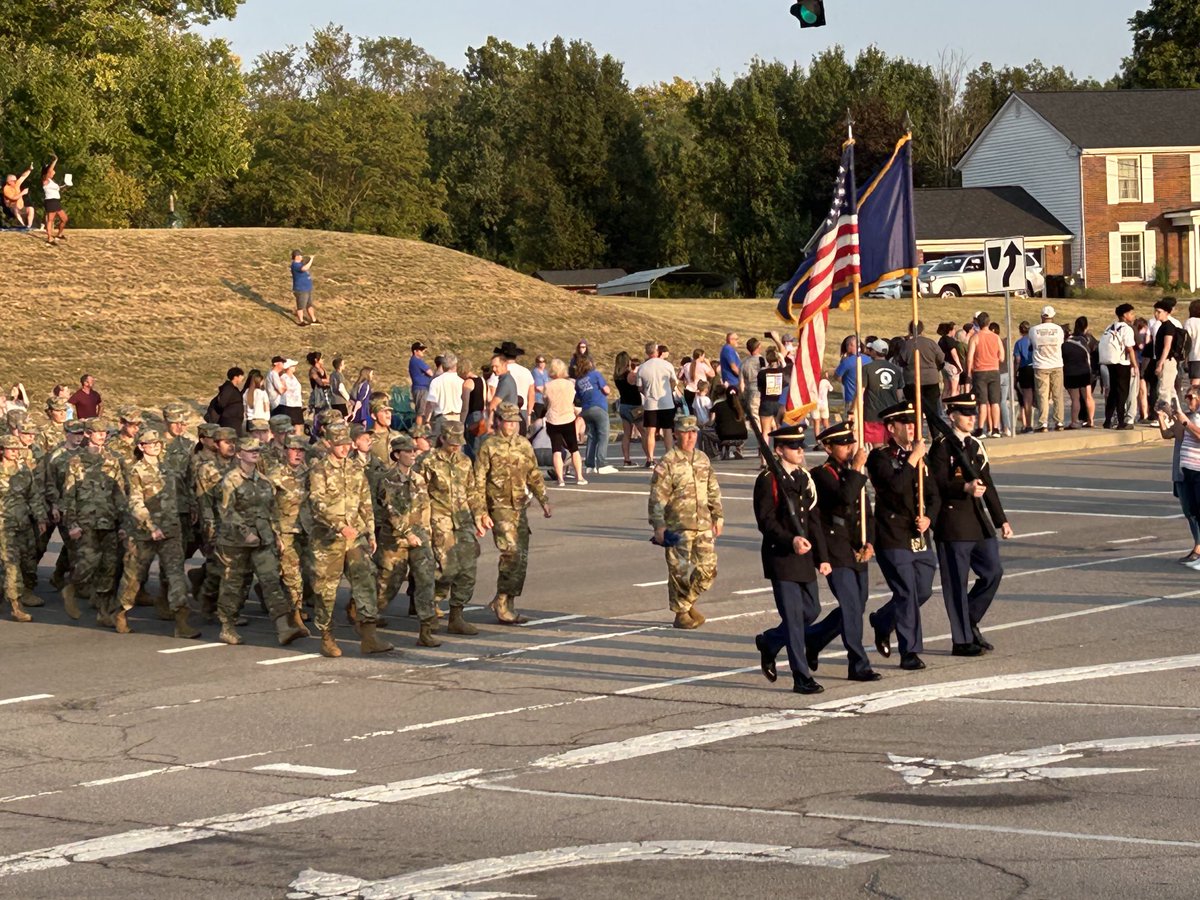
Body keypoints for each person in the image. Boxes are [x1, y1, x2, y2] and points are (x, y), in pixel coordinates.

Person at [928, 394, 1013, 656]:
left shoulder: (975, 445)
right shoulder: (941, 447)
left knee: (993, 572)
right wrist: (963, 487)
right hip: (953, 523)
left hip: (978, 522)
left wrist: (1002, 520)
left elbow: (987, 484)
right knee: (956, 583)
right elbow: (938, 484)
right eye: (966, 414)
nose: (971, 418)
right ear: (952, 415)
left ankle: (969, 619)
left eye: (973, 414)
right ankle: (962, 640)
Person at [751, 424, 829, 694]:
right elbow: (766, 521)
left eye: (801, 445)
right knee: (795, 619)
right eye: (794, 446)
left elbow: (814, 520)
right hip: (782, 556)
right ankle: (801, 676)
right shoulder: (768, 479)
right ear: (779, 450)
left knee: (812, 610)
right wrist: (790, 540)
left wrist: (822, 556)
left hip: (805, 556)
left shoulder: (803, 478)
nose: (800, 450)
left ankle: (771, 641)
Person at [866, 401, 940, 671]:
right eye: (905, 423)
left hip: (919, 534)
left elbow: (933, 494)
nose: (911, 428)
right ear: (890, 428)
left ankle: (884, 620)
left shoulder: (921, 457)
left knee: (922, 590)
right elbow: (895, 488)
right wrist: (912, 459)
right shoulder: (880, 458)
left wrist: (929, 516)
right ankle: (909, 651)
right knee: (907, 592)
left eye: (913, 423)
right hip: (893, 534)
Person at [306, 424, 391, 657]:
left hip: (356, 539)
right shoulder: (319, 470)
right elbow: (317, 503)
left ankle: (369, 636)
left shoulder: (355, 468)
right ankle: (327, 637)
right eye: (339, 444)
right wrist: (339, 526)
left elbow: (365, 502)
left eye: (346, 444)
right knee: (326, 590)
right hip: (328, 540)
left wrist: (371, 532)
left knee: (365, 583)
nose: (344, 448)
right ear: (330, 444)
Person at [804, 422, 879, 682]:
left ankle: (813, 639)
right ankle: (858, 664)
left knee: (857, 605)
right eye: (843, 444)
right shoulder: (822, 474)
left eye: (850, 443)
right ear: (828, 447)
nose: (849, 448)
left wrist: (870, 542)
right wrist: (857, 468)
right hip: (835, 550)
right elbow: (844, 500)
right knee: (850, 606)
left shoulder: (852, 472)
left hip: (857, 548)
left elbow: (865, 511)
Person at [113, 430, 199, 637]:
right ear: (141, 446)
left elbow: (183, 491)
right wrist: (151, 526)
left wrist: (192, 506)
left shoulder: (168, 468)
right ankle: (121, 611)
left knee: (175, 574)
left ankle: (181, 620)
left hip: (170, 529)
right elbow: (134, 502)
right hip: (144, 532)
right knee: (134, 575)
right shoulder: (135, 471)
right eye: (149, 443)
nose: (155, 446)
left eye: (157, 443)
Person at [472, 403, 551, 625]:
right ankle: (503, 603)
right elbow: (478, 482)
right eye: (508, 421)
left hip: (520, 506)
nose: (512, 426)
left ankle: (506, 599)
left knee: (521, 559)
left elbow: (534, 474)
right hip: (499, 508)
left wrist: (543, 500)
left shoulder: (524, 445)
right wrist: (480, 512)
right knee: (511, 553)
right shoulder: (488, 446)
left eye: (516, 421)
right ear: (498, 422)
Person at [648, 415, 723, 629]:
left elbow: (712, 489)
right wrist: (659, 525)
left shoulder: (702, 459)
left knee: (708, 569)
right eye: (685, 432)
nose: (690, 436)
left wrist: (718, 516)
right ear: (676, 434)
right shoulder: (668, 462)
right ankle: (681, 614)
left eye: (693, 432)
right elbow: (657, 496)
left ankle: (686, 603)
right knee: (678, 572)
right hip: (678, 524)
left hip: (703, 523)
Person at [376, 434, 446, 645]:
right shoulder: (388, 479)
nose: (413, 454)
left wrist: (428, 535)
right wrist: (408, 533)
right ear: (397, 455)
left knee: (426, 580)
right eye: (408, 451)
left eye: (414, 451)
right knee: (388, 583)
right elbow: (392, 511)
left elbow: (425, 509)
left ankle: (425, 629)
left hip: (419, 538)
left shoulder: (418, 479)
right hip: (395, 540)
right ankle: (366, 618)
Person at [61, 419, 126, 627]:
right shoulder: (76, 461)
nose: (102, 435)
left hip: (109, 519)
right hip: (86, 520)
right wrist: (72, 524)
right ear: (88, 434)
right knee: (87, 563)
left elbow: (120, 493)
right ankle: (71, 586)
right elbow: (69, 495)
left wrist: (124, 522)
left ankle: (104, 610)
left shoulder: (113, 460)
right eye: (97, 432)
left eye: (104, 432)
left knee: (109, 566)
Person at [424, 421, 483, 622]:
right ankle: (430, 602)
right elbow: (418, 494)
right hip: (439, 519)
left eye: (459, 443)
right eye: (452, 443)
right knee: (446, 568)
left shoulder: (465, 461)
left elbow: (472, 492)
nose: (456, 447)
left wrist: (480, 516)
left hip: (463, 519)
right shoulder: (428, 461)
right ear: (442, 439)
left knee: (468, 568)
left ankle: (457, 615)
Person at [262, 434, 314, 629]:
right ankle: (295, 613)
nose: (298, 454)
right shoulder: (275, 475)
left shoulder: (309, 473)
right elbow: (267, 506)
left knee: (313, 570)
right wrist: (274, 533)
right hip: (285, 531)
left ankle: (296, 605)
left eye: (301, 450)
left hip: (306, 530)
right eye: (294, 450)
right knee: (292, 574)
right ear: (285, 451)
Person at [0, 435, 46, 621]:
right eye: (11, 449)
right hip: (4, 526)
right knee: (11, 565)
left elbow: (33, 495)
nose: (15, 452)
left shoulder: (23, 470)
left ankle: (26, 591)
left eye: (17, 449)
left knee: (29, 560)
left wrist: (41, 517)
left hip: (24, 523)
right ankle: (15, 604)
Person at [1158, 388, 1200, 568]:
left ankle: (1198, 549)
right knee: (1190, 512)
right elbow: (1169, 434)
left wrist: (1185, 422)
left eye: (1191, 396)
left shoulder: (1191, 419)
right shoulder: (1186, 417)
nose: (1188, 399)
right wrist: (1162, 416)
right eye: (1186, 396)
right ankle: (1197, 547)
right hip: (1185, 470)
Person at [542, 358, 584, 486]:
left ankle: (560, 479)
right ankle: (580, 477)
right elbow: (573, 399)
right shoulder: (570, 384)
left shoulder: (548, 386)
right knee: (574, 449)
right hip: (568, 418)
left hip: (553, 419)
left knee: (556, 450)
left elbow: (545, 402)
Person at [897, 321, 946, 429]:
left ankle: (917, 432)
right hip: (930, 379)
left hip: (912, 380)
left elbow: (901, 361)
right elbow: (941, 358)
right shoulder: (930, 343)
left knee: (915, 408)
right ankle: (934, 432)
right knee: (932, 409)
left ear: (910, 330)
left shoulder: (907, 345)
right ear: (922, 330)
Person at [636, 343, 678, 466]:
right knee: (667, 431)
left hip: (650, 402)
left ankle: (650, 458)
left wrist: (647, 393)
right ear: (657, 351)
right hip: (666, 401)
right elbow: (674, 381)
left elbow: (639, 387)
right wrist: (669, 391)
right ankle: (669, 457)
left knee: (650, 432)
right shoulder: (667, 365)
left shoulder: (642, 367)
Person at [966, 312, 1004, 438]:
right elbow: (1002, 357)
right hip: (994, 370)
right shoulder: (995, 337)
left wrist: (969, 372)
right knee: (995, 401)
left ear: (978, 323)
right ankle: (996, 429)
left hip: (979, 371)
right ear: (988, 322)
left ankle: (981, 429)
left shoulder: (975, 338)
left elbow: (970, 357)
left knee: (982, 402)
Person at [1100, 304, 1138, 430]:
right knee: (1122, 393)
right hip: (1122, 363)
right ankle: (1121, 421)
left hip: (1110, 362)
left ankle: (1108, 419)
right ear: (1124, 315)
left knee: (1113, 392)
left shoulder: (1109, 327)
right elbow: (1130, 349)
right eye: (1131, 313)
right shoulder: (1127, 329)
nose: (1133, 316)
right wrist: (1135, 365)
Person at [859, 339, 903, 447]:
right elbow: (899, 394)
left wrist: (853, 410)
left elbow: (861, 391)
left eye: (870, 349)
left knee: (877, 447)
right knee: (891, 444)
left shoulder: (866, 368)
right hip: (891, 413)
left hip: (873, 413)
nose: (869, 351)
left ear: (874, 352)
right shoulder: (896, 370)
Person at [1030, 306, 1066, 432]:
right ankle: (1059, 421)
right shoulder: (1058, 329)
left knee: (1042, 395)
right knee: (1057, 395)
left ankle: (1043, 422)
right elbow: (1060, 343)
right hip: (1056, 363)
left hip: (1041, 365)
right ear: (1053, 316)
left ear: (1042, 316)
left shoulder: (1034, 330)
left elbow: (1033, 345)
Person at [422, 352, 464, 439]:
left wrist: (426, 420)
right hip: (458, 417)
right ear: (455, 366)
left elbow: (430, 404)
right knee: (457, 445)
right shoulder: (462, 382)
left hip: (441, 418)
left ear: (443, 366)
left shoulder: (436, 381)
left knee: (441, 444)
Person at [1063, 317, 1095, 428]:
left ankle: (1074, 421)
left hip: (1071, 372)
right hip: (1085, 371)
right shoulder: (1087, 339)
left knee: (1075, 398)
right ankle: (1091, 420)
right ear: (1086, 326)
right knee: (1088, 396)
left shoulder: (1067, 340)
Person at [1153, 298, 1184, 407]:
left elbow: (1167, 347)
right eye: (1155, 311)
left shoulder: (1169, 327)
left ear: (1167, 313)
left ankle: (1164, 416)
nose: (1156, 314)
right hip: (1165, 360)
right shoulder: (1162, 326)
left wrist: (1160, 363)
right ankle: (1177, 415)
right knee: (1170, 391)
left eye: (1159, 312)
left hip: (1168, 361)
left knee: (1163, 390)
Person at [613, 351, 641, 467]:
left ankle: (626, 459)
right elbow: (639, 387)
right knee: (644, 433)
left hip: (623, 405)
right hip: (634, 406)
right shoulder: (630, 375)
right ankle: (650, 458)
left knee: (626, 434)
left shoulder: (617, 376)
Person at [834, 336, 871, 420]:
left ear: (850, 345)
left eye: (847, 345)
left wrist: (844, 380)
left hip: (851, 398)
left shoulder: (847, 361)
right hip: (867, 399)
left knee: (850, 425)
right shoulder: (869, 359)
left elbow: (836, 376)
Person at [756, 347, 786, 437]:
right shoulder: (782, 372)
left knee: (766, 431)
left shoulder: (762, 373)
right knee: (780, 429)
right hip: (780, 402)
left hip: (766, 402)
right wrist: (783, 361)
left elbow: (759, 388)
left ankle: (765, 450)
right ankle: (780, 448)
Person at [208, 367, 246, 434]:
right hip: (229, 421)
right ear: (236, 377)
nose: (242, 378)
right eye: (241, 376)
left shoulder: (232, 388)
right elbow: (221, 403)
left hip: (234, 420)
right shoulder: (228, 388)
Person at [41, 156, 69, 245]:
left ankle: (59, 234)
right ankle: (49, 238)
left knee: (64, 219)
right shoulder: (45, 179)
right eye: (52, 170)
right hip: (50, 201)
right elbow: (49, 170)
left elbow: (57, 188)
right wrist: (55, 160)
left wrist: (66, 185)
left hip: (56, 201)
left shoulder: (51, 181)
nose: (53, 172)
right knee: (51, 220)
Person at [739, 337, 764, 428]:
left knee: (755, 417)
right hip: (764, 392)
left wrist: (742, 396)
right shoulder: (763, 361)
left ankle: (761, 437)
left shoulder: (744, 362)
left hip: (751, 393)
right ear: (758, 347)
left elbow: (741, 383)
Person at [290, 250, 318, 326]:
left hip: (307, 288)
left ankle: (313, 319)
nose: (301, 257)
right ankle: (301, 321)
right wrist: (311, 259)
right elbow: (304, 269)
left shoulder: (299, 263)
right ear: (297, 257)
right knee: (301, 306)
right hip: (301, 289)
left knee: (309, 305)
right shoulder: (295, 265)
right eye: (300, 255)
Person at [277, 359, 305, 432]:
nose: (295, 367)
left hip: (296, 404)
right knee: (287, 425)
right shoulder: (283, 377)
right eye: (293, 366)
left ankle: (297, 440)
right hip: (287, 404)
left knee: (298, 424)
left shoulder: (294, 378)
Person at [408, 342, 433, 422]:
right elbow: (430, 373)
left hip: (420, 388)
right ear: (415, 351)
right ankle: (419, 431)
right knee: (421, 412)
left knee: (421, 411)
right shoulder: (417, 361)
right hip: (421, 389)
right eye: (421, 350)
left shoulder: (414, 361)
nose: (423, 351)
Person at [937, 323, 962, 396]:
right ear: (950, 330)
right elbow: (954, 354)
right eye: (954, 329)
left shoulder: (941, 340)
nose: (955, 331)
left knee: (946, 388)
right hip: (952, 365)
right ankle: (953, 406)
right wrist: (959, 366)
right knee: (954, 389)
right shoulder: (950, 340)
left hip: (944, 365)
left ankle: (943, 406)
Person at [1186, 300, 1200, 389]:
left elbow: (1186, 340)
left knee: (1195, 384)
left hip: (1195, 356)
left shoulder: (1190, 322)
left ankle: (1193, 402)